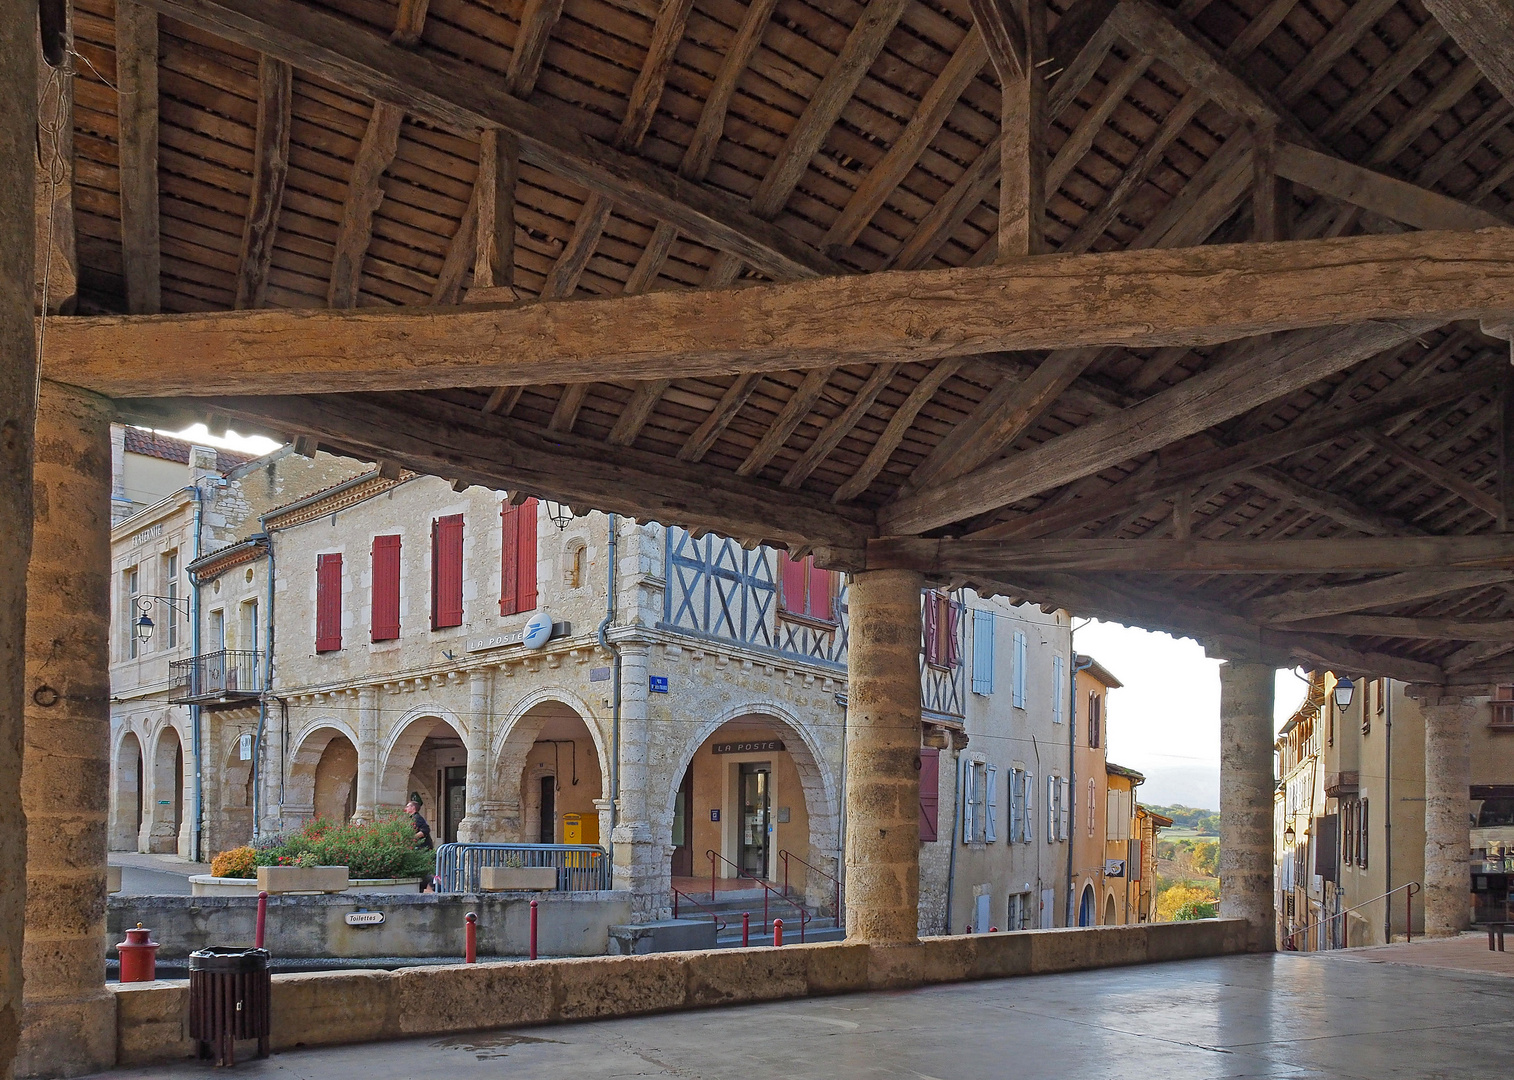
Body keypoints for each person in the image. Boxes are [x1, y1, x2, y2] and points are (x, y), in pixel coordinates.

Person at [406, 799, 434, 892]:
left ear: (413, 808)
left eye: (408, 806)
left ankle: (431, 884)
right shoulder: (412, 818)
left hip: (423, 847)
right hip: (419, 847)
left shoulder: (417, 818)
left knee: (424, 867)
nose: (406, 808)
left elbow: (424, 830)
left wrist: (411, 838)